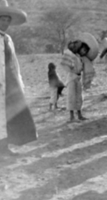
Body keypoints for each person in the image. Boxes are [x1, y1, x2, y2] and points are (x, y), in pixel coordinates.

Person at [0, 0, 37, 156]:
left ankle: (5, 147)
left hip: (9, 80)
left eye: (8, 20)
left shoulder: (8, 39)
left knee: (9, 113)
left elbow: (14, 62)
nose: (6, 23)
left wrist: (19, 82)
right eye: (3, 19)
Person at [61, 33, 98, 121]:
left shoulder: (80, 57)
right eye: (83, 50)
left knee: (79, 97)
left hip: (78, 78)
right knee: (71, 96)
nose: (84, 52)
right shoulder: (70, 55)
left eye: (85, 51)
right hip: (71, 77)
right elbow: (66, 65)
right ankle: (71, 117)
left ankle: (79, 115)